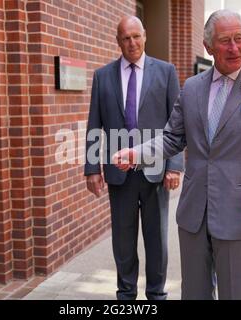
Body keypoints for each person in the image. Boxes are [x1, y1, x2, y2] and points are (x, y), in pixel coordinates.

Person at [113, 10, 241, 300]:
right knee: (193, 294)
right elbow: (172, 139)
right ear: (208, 47)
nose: (234, 48)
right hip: (194, 215)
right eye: (225, 41)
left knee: (238, 295)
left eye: (239, 39)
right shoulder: (191, 88)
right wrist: (137, 152)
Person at [84, 16, 183, 300]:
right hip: (119, 173)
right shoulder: (103, 76)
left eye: (136, 36)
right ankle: (126, 296)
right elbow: (94, 124)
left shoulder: (165, 72)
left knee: (156, 240)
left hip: (155, 170)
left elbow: (176, 125)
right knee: (123, 241)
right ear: (118, 41)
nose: (132, 43)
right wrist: (92, 168)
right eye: (125, 38)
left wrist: (174, 165)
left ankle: (156, 295)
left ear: (145, 36)